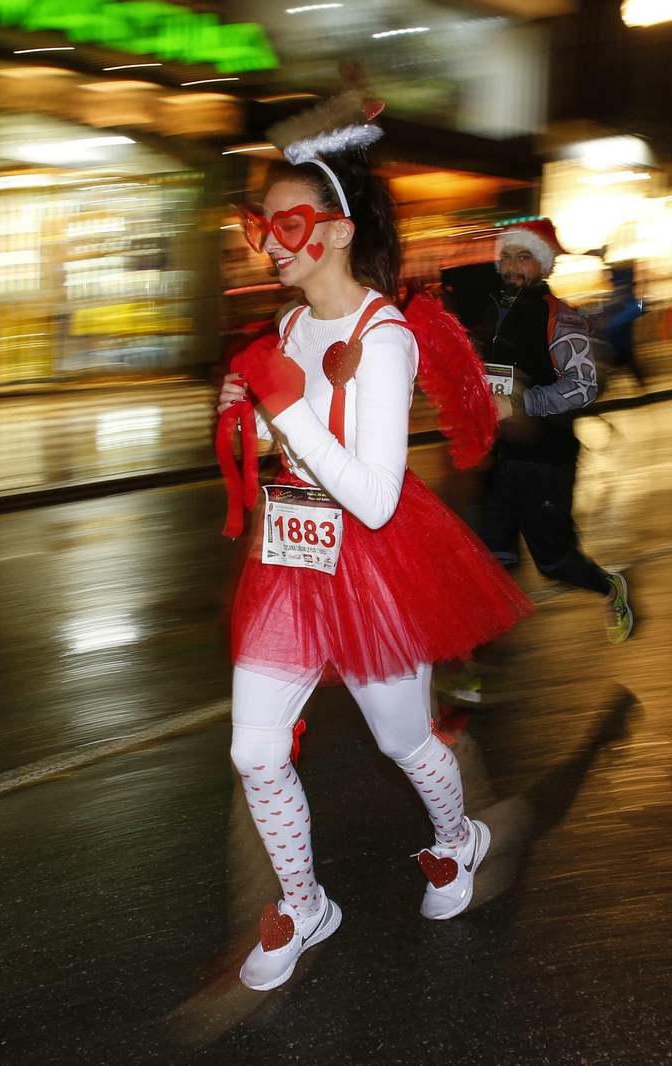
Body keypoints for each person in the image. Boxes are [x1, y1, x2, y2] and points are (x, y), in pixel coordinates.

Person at [213, 95, 532, 991]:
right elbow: (296, 443)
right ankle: (304, 900)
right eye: (259, 225)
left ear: (340, 231)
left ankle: (456, 838)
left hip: (373, 562)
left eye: (290, 223)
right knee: (254, 749)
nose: (271, 243)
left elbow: (377, 499)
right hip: (289, 560)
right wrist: (251, 419)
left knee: (403, 741)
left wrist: (283, 404)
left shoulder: (382, 335)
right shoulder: (286, 327)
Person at [466, 218, 633, 646]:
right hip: (498, 460)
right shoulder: (491, 311)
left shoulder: (560, 317)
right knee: (486, 561)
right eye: (505, 257)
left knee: (555, 562)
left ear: (542, 265)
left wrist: (527, 404)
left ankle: (610, 587)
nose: (511, 266)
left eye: (523, 257)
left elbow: (585, 385)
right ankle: (477, 667)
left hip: (546, 462)